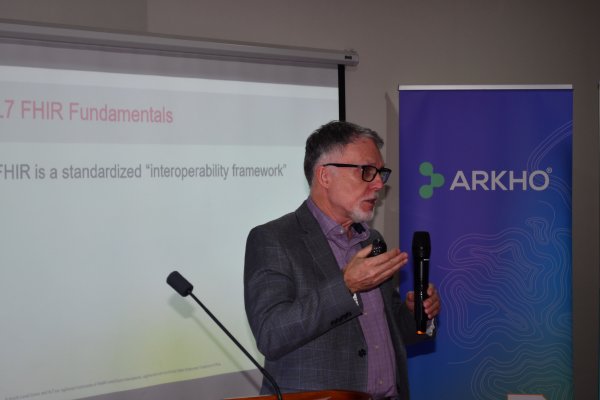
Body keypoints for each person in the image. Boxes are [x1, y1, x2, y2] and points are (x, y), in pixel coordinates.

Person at [244, 120, 441, 400]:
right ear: (325, 176)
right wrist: (346, 286)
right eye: (367, 172)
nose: (378, 184)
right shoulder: (275, 239)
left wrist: (417, 313)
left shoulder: (371, 240)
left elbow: (390, 333)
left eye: (380, 173)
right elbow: (271, 334)